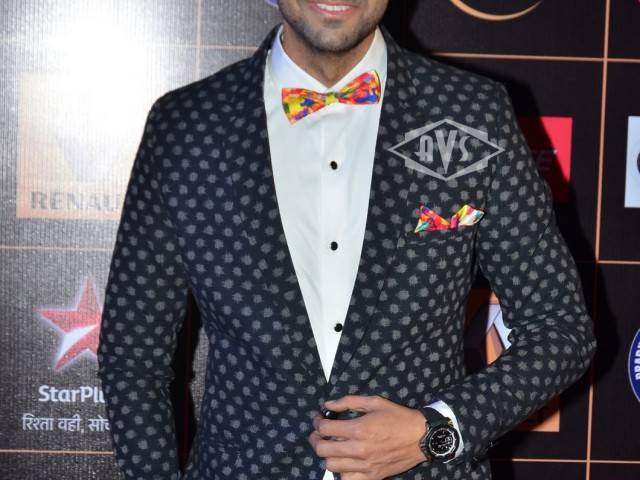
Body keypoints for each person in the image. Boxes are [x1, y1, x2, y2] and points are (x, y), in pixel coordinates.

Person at [97, 1, 596, 479]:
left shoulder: (472, 113)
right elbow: (132, 354)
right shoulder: (185, 129)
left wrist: (436, 431)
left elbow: (560, 328)